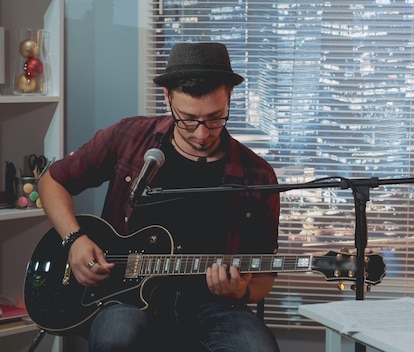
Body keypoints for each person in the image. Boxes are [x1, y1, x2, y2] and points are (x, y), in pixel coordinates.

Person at [38, 42, 281, 352]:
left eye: (215, 117)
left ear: (229, 98)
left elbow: (264, 277)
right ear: (167, 98)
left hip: (213, 304)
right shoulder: (129, 137)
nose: (202, 133)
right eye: (188, 119)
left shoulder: (257, 176)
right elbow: (52, 180)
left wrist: (241, 293)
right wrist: (75, 240)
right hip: (123, 296)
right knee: (117, 339)